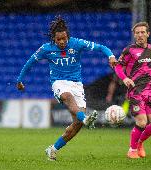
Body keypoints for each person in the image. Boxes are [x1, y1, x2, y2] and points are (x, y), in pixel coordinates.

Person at [17, 16, 117, 161]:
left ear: (68, 36)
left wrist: (111, 56)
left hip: (77, 84)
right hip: (59, 82)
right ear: (54, 39)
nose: (62, 42)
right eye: (59, 39)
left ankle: (53, 149)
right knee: (66, 96)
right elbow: (30, 62)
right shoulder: (46, 48)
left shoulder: (77, 43)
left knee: (77, 124)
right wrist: (20, 79)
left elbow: (101, 47)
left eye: (64, 38)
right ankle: (86, 119)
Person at [113, 22, 151, 159]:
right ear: (134, 35)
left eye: (142, 32)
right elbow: (117, 67)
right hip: (136, 92)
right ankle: (132, 150)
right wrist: (125, 79)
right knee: (141, 122)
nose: (140, 35)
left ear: (148, 34)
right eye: (137, 33)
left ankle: (139, 142)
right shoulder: (129, 50)